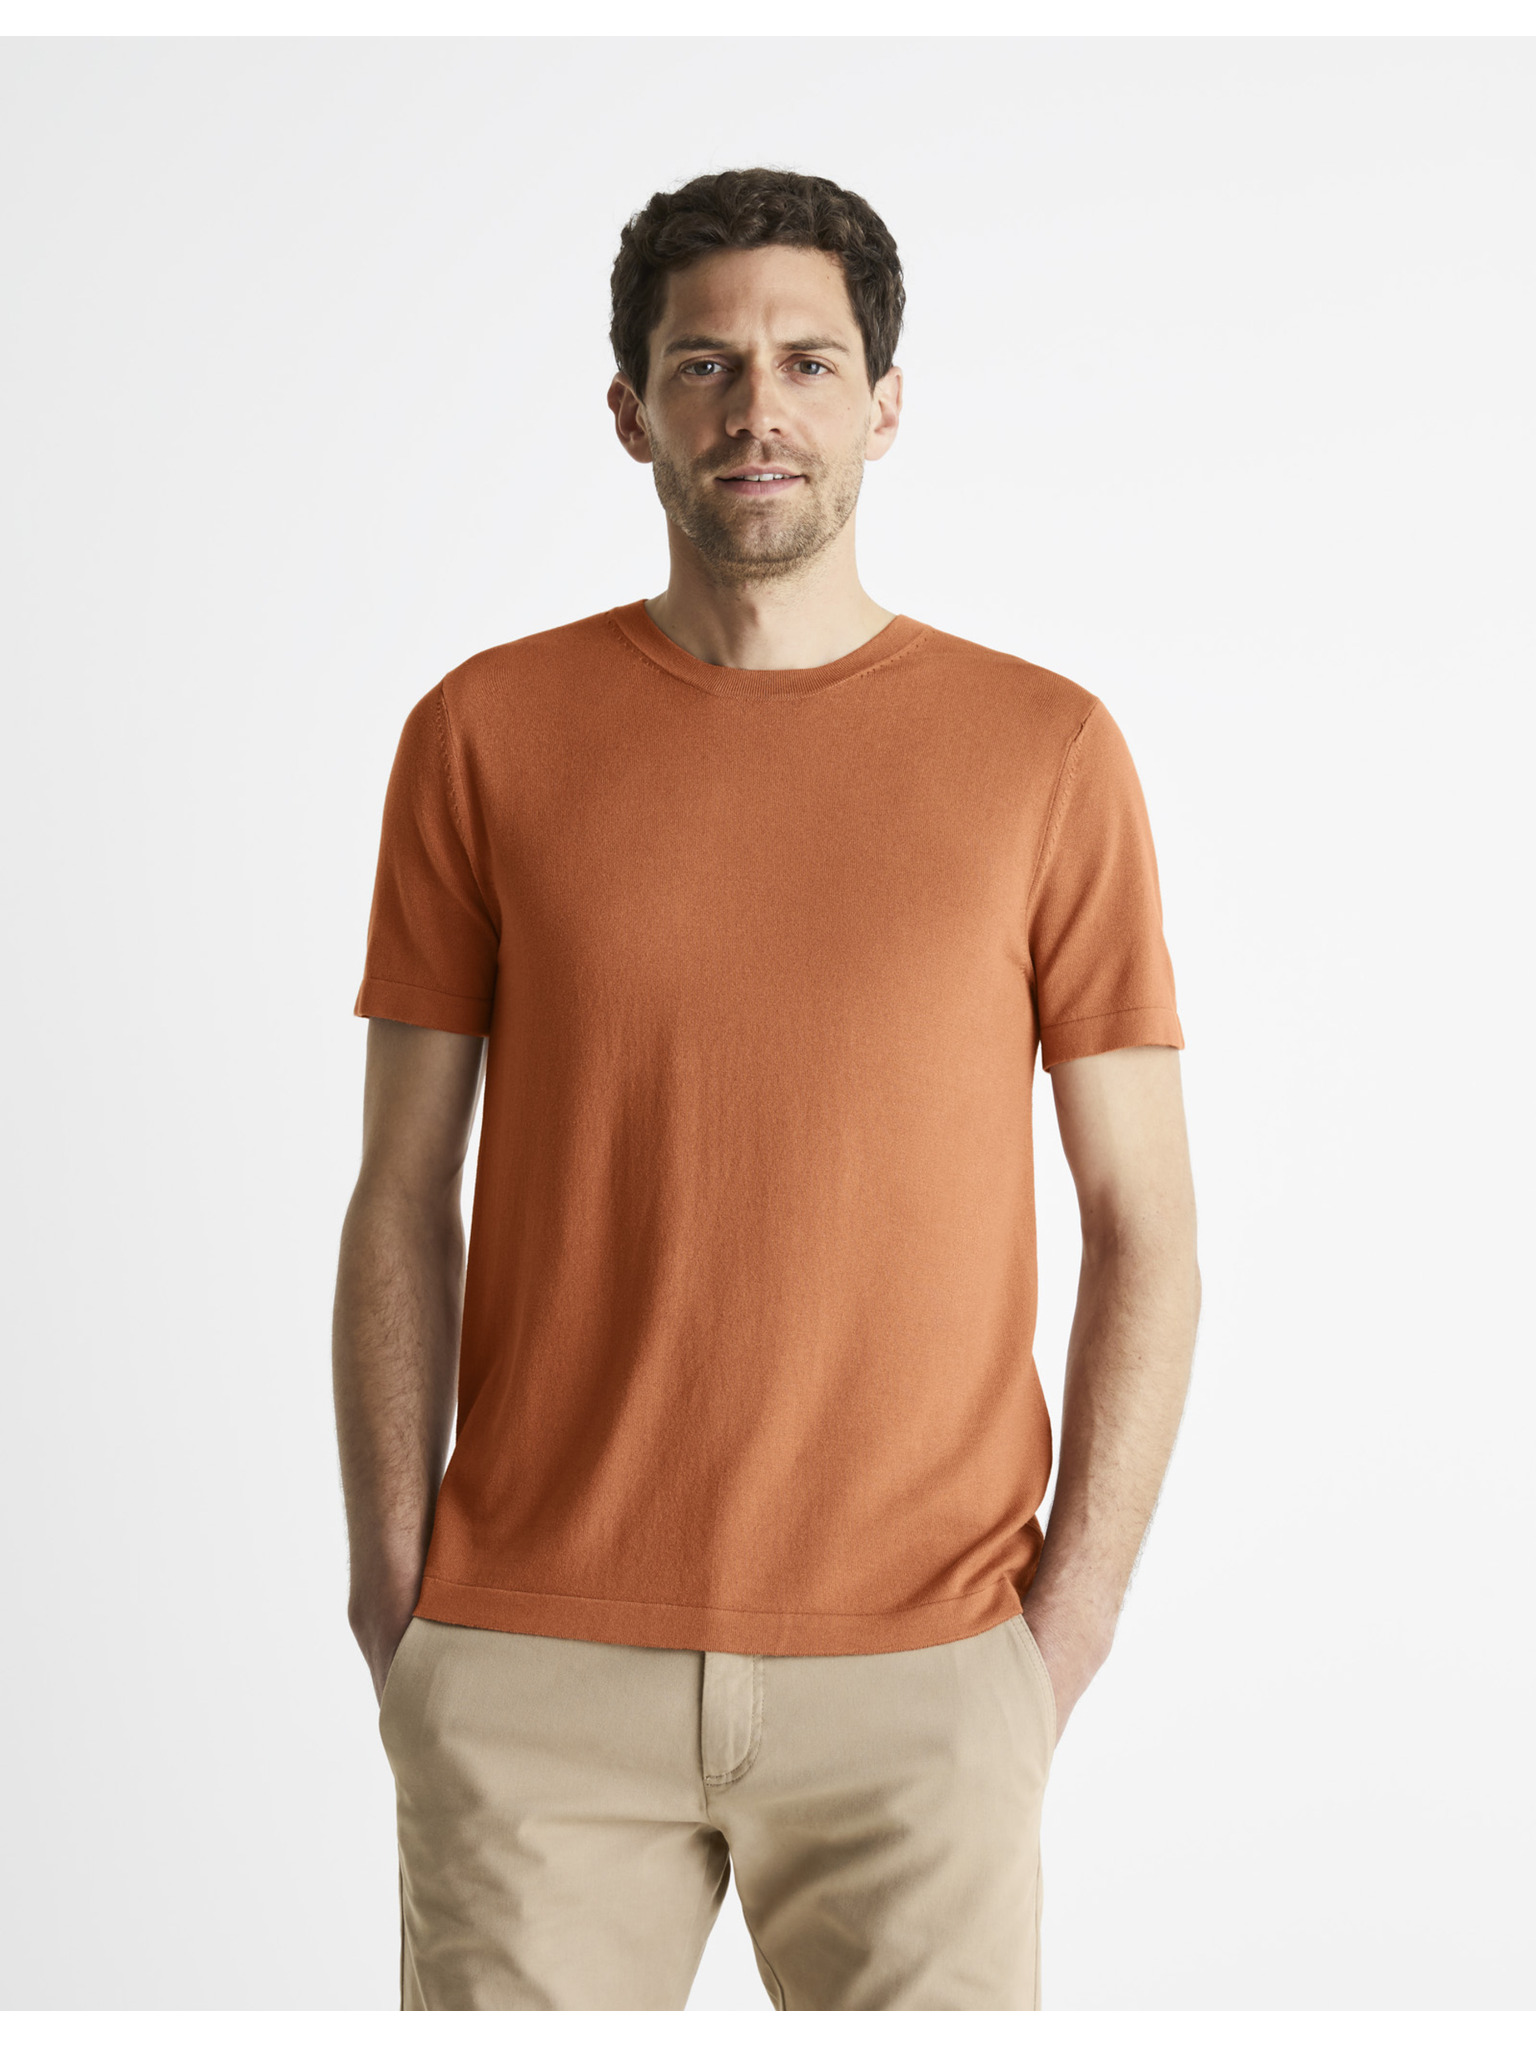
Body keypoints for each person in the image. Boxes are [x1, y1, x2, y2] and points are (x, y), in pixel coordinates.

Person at [332, 165, 1201, 2014]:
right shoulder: (482, 735)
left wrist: (1062, 1636)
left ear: (885, 404)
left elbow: (1146, 1221)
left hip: (927, 1676)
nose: (757, 411)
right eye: (704, 365)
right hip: (534, 1667)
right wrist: (395, 1593)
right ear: (630, 410)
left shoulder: (1046, 752)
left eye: (809, 363)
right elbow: (402, 1188)